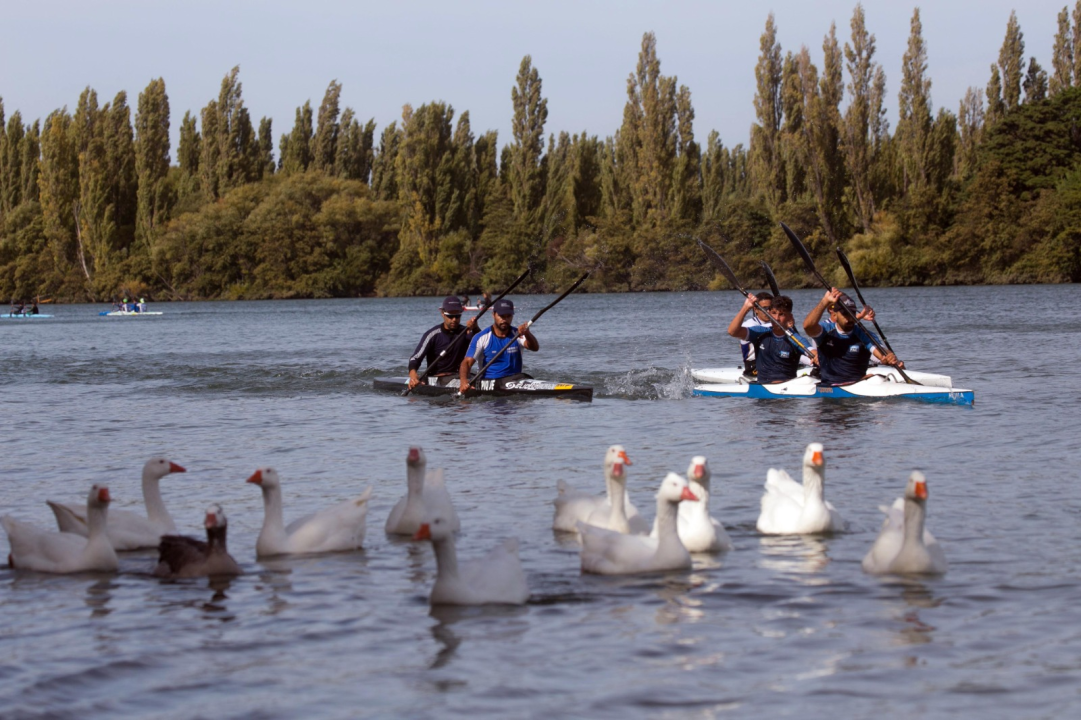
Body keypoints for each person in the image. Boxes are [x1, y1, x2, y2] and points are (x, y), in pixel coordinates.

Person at [803, 288, 902, 385]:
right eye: (845, 314)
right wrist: (824, 301)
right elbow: (808, 326)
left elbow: (880, 351)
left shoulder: (863, 333)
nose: (849, 318)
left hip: (857, 386)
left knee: (877, 379)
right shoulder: (826, 330)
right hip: (830, 387)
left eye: (852, 313)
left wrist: (888, 356)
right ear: (835, 314)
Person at [727, 295, 813, 383]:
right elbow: (732, 331)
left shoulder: (795, 338)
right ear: (769, 313)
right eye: (774, 313)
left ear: (790, 317)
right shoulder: (759, 332)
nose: (776, 318)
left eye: (781, 314)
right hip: (762, 390)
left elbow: (813, 352)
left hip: (787, 390)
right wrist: (745, 308)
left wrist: (816, 357)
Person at [459, 298, 538, 392]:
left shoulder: (517, 334)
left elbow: (534, 348)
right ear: (493, 315)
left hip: (515, 381)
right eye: (501, 316)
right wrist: (463, 381)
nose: (505, 319)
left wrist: (527, 334)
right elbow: (466, 363)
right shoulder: (481, 337)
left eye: (508, 316)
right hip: (489, 382)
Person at [407, 296, 479, 389]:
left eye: (457, 316)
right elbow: (415, 358)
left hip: (461, 377)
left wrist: (476, 328)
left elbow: (483, 344)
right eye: (450, 316)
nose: (454, 319)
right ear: (442, 313)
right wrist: (413, 376)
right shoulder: (432, 335)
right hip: (437, 378)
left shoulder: (466, 332)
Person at [739, 291, 773, 375]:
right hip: (754, 367)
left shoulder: (777, 324)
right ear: (756, 309)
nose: (768, 311)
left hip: (774, 363)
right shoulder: (748, 325)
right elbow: (765, 329)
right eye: (764, 308)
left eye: (770, 308)